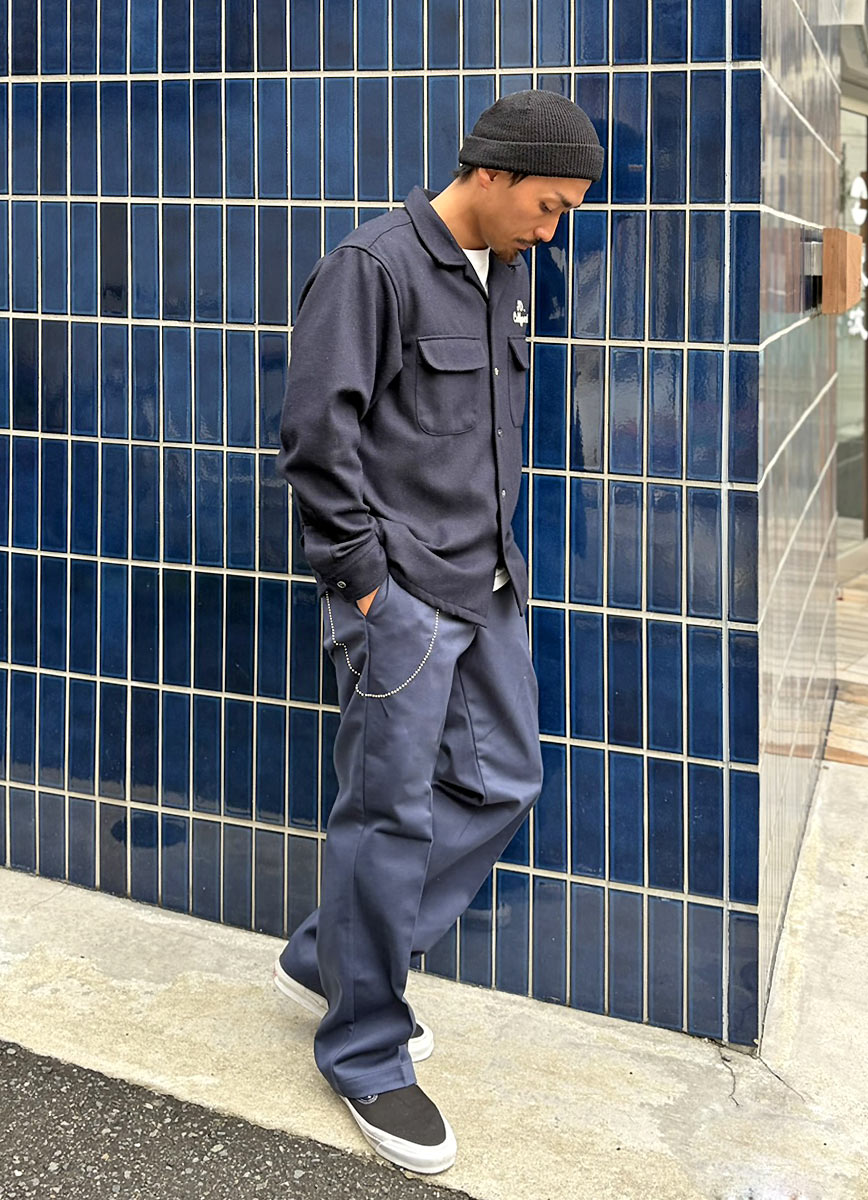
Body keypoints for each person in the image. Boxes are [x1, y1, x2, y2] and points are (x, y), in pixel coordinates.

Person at [273, 89, 604, 1174]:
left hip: (486, 582)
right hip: (402, 596)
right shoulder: (372, 268)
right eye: (549, 206)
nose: (553, 230)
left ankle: (331, 954)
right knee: (388, 817)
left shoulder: (508, 272)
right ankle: (364, 1051)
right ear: (491, 174)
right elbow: (316, 438)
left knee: (504, 780)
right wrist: (369, 587)